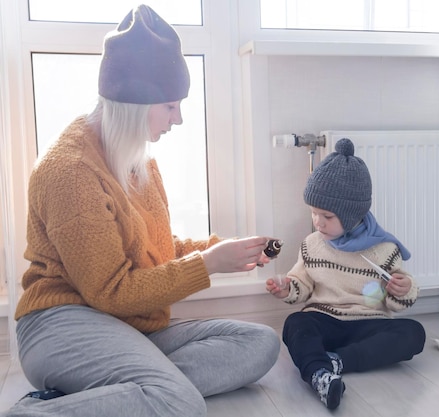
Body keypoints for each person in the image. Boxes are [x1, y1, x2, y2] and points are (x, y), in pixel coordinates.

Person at [2, 5, 280, 417]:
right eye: (170, 106)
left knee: (261, 344)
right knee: (179, 403)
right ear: (133, 101)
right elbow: (112, 292)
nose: (179, 118)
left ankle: (111, 390)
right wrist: (206, 265)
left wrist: (221, 250)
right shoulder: (72, 172)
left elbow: (157, 248)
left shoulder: (137, 160)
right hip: (60, 325)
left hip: (126, 325)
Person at [266, 138, 426, 410]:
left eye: (327, 215)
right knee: (296, 324)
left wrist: (403, 288)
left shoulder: (384, 250)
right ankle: (319, 374)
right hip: (324, 319)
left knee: (414, 332)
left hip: (368, 322)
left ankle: (336, 362)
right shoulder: (312, 244)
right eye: (315, 213)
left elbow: (396, 302)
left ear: (352, 214)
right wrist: (288, 288)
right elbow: (301, 282)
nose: (318, 221)